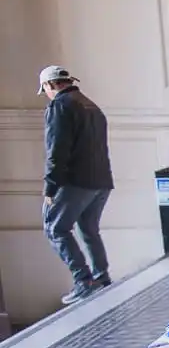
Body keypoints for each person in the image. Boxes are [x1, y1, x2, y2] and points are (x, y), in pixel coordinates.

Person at [39, 66, 114, 304]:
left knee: (55, 228)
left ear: (50, 85)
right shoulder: (92, 106)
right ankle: (101, 277)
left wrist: (50, 188)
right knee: (89, 228)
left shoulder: (60, 106)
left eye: (45, 90)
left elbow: (56, 151)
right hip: (101, 181)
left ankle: (84, 281)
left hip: (76, 181)